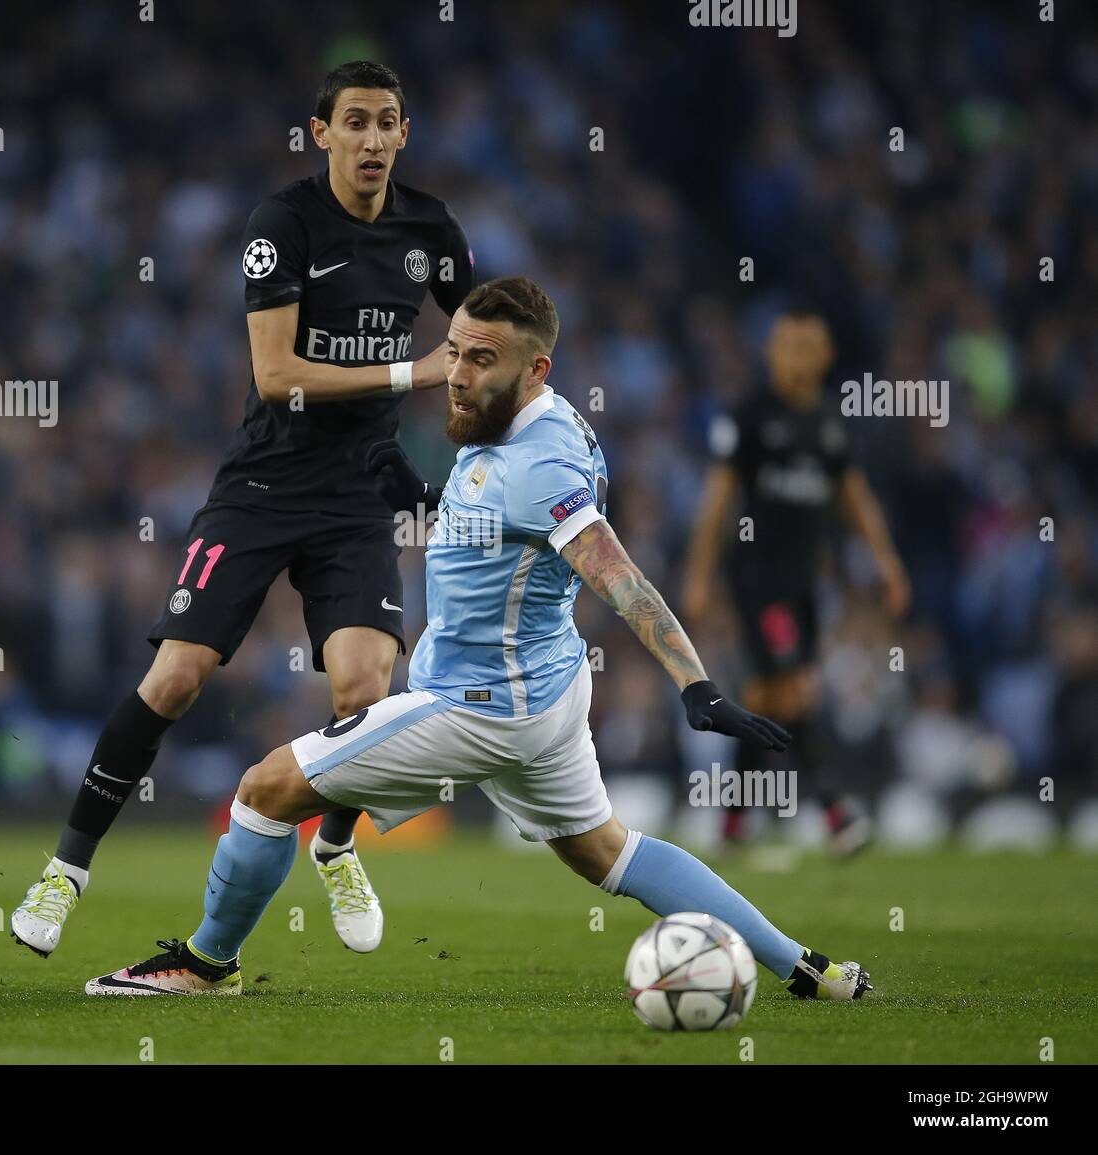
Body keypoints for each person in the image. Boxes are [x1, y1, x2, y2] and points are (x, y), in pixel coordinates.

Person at [84, 278, 872, 1003]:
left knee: (262, 792)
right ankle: (808, 967)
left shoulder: (541, 458)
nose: (456, 373)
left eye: (481, 359)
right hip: (550, 687)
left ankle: (205, 962)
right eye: (454, 350)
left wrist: (694, 685)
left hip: (481, 705)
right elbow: (510, 531)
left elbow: (619, 576)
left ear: (537, 369)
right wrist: (425, 497)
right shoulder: (521, 420)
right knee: (607, 851)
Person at [10, 61, 474, 959]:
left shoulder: (432, 228)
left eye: (388, 123)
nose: (373, 138)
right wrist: (414, 371)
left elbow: (480, 332)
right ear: (321, 133)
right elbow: (277, 375)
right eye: (356, 122)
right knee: (177, 676)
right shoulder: (283, 224)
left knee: (364, 690)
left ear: (404, 135)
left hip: (357, 495)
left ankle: (335, 844)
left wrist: (520, 379)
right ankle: (65, 871)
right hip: (261, 486)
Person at [682, 313, 910, 855]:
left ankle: (734, 823)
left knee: (765, 695)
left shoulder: (828, 426)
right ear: (772, 355)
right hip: (758, 579)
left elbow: (854, 496)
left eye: (808, 348)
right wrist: (698, 574)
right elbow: (717, 502)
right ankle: (835, 811)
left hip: (805, 581)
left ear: (824, 357)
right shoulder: (752, 417)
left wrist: (887, 561)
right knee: (798, 687)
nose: (797, 358)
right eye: (788, 347)